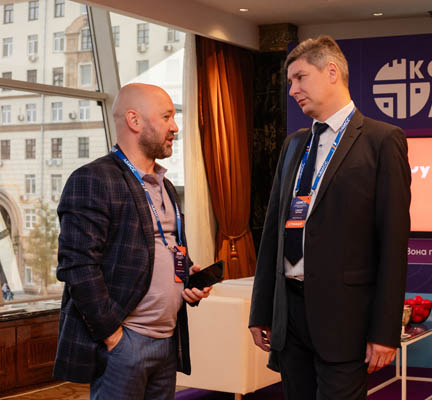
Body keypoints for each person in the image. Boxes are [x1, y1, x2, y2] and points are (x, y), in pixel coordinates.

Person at [249, 36, 411, 399]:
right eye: (290, 82)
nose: (292, 90)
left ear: (332, 72)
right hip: (290, 316)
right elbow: (273, 232)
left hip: (345, 319)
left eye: (300, 78)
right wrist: (261, 311)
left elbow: (393, 243)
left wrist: (385, 331)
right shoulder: (294, 144)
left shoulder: (382, 141)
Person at [53, 83, 211, 399]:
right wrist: (113, 336)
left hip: (167, 340)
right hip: (125, 343)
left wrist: (187, 279)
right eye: (166, 117)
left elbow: (164, 249)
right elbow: (78, 266)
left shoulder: (165, 186)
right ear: (134, 120)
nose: (175, 127)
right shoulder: (93, 178)